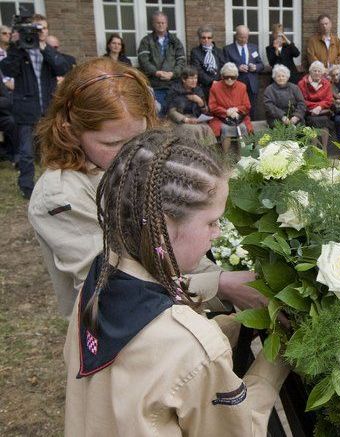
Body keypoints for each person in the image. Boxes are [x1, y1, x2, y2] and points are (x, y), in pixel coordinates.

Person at [63, 127, 289, 436]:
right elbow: (239, 426)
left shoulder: (101, 275)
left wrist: (232, 322)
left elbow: (149, 363)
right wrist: (280, 355)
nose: (218, 233)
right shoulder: (191, 347)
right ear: (163, 227)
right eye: (211, 221)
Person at [29, 58, 265, 318]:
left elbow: (170, 239)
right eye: (112, 143)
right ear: (70, 131)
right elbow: (111, 288)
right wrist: (220, 285)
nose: (132, 153)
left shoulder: (140, 162)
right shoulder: (60, 196)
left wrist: (219, 277)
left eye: (139, 138)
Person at [0, 13, 71, 199]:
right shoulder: (20, 51)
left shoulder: (48, 50)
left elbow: (63, 68)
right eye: (36, 28)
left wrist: (44, 47)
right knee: (26, 152)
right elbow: (7, 69)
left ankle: (57, 185)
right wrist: (16, 46)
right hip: (25, 109)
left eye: (43, 28)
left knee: (56, 149)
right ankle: (27, 187)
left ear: (47, 31)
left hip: (48, 107)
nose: (39, 32)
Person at [137, 11, 186, 116]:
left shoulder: (175, 41)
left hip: (173, 85)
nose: (161, 25)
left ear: (167, 24)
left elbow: (181, 61)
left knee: (173, 115)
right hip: (155, 85)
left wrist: (172, 74)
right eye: (158, 22)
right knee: (158, 115)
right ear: (153, 24)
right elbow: (143, 61)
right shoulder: (146, 41)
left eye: (163, 22)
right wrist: (156, 72)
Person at [223, 25, 264, 119]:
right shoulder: (228, 49)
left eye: (246, 37)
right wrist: (237, 68)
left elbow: (261, 64)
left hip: (252, 84)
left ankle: (252, 130)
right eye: (241, 37)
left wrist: (255, 67)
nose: (244, 39)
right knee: (238, 108)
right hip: (236, 83)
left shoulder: (253, 47)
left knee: (252, 108)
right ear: (236, 36)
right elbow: (224, 66)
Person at [208, 62, 253, 147]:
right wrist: (227, 112)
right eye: (226, 77)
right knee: (226, 129)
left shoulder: (242, 86)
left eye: (233, 77)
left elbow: (247, 106)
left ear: (236, 77)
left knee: (243, 127)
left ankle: (243, 157)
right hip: (220, 118)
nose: (229, 79)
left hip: (239, 117)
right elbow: (212, 107)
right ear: (222, 76)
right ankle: (225, 158)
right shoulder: (215, 87)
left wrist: (236, 109)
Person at [297, 61, 335, 151]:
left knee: (324, 122)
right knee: (313, 122)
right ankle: (314, 149)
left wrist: (319, 107)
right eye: (314, 71)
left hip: (323, 112)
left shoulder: (326, 83)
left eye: (319, 71)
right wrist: (314, 108)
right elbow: (301, 100)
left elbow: (329, 100)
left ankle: (324, 149)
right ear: (310, 72)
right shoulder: (302, 83)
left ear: (322, 73)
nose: (317, 73)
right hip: (309, 112)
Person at [189, 25, 225, 97]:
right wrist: (212, 81)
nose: (206, 40)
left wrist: (218, 81)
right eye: (203, 38)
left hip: (219, 86)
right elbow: (197, 70)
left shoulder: (219, 51)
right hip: (203, 87)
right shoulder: (195, 52)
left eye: (209, 38)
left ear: (212, 39)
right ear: (199, 39)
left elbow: (223, 67)